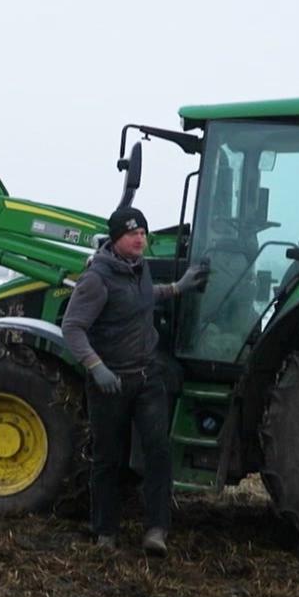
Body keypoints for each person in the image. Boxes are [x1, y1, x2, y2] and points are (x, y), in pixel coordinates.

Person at [61, 207, 208, 555]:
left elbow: (142, 297)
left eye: (143, 232)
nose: (140, 239)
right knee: (108, 458)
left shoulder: (138, 268)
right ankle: (105, 533)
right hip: (110, 383)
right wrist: (96, 366)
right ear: (116, 239)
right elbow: (72, 327)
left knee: (158, 452)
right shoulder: (97, 279)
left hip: (146, 376)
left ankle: (156, 530)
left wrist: (176, 288)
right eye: (132, 234)